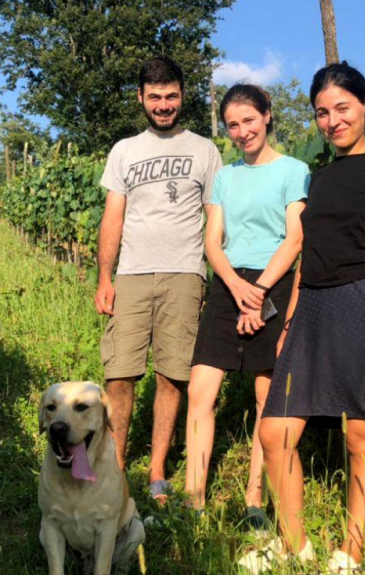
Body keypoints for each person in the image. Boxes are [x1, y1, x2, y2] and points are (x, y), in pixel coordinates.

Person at [239, 62, 365, 575]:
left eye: (343, 107)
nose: (332, 120)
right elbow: (307, 252)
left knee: (362, 436)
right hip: (313, 307)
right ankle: (297, 550)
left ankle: (349, 558)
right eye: (322, 111)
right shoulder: (317, 177)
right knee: (275, 433)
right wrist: (291, 313)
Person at [95, 56, 223, 503]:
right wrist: (104, 276)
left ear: (182, 96)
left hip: (185, 273)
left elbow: (214, 218)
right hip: (130, 273)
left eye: (171, 96)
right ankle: (112, 470)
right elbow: (113, 217)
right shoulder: (125, 151)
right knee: (120, 374)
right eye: (155, 97)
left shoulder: (205, 151)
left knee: (173, 375)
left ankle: (156, 471)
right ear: (141, 98)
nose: (164, 105)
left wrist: (213, 273)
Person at [184, 84, 309, 527]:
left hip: (273, 284)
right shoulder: (226, 177)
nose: (241, 132)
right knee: (201, 390)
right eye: (233, 125)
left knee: (264, 396)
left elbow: (295, 238)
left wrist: (259, 291)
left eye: (249, 121)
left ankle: (255, 498)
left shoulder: (294, 170)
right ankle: (193, 497)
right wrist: (236, 285)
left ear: (268, 116)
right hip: (229, 283)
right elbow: (211, 241)